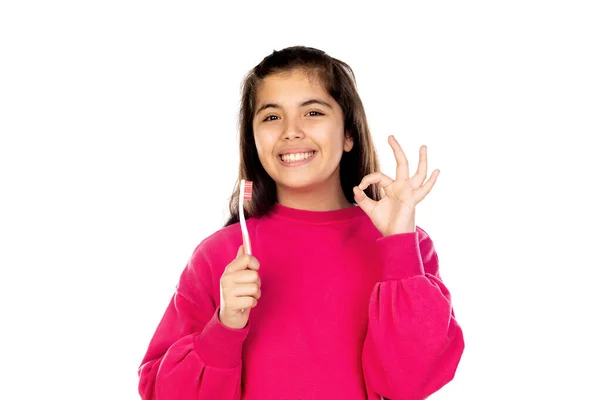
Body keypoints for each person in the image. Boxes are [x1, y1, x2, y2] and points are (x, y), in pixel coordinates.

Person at [137, 45, 464, 400]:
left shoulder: (404, 246)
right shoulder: (220, 255)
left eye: (313, 112)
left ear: (348, 134)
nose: (291, 131)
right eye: (272, 117)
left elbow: (409, 384)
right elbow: (162, 393)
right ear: (254, 140)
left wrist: (399, 244)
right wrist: (226, 326)